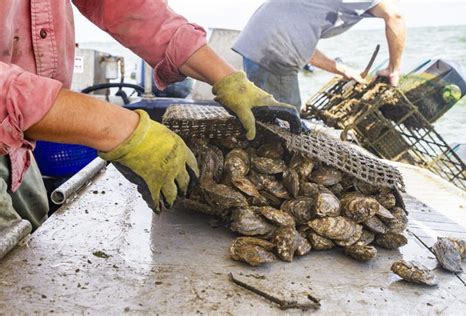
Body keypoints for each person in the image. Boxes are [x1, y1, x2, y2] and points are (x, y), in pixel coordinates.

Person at [0, 0, 297, 259]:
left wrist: (227, 78)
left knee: (32, 253)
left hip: (20, 146)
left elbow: (126, 6)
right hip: (14, 120)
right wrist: (118, 128)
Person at [233, 0, 406, 110]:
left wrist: (342, 70)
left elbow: (301, 45)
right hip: (274, 48)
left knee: (263, 111)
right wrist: (393, 69)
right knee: (285, 122)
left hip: (258, 41)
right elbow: (395, 16)